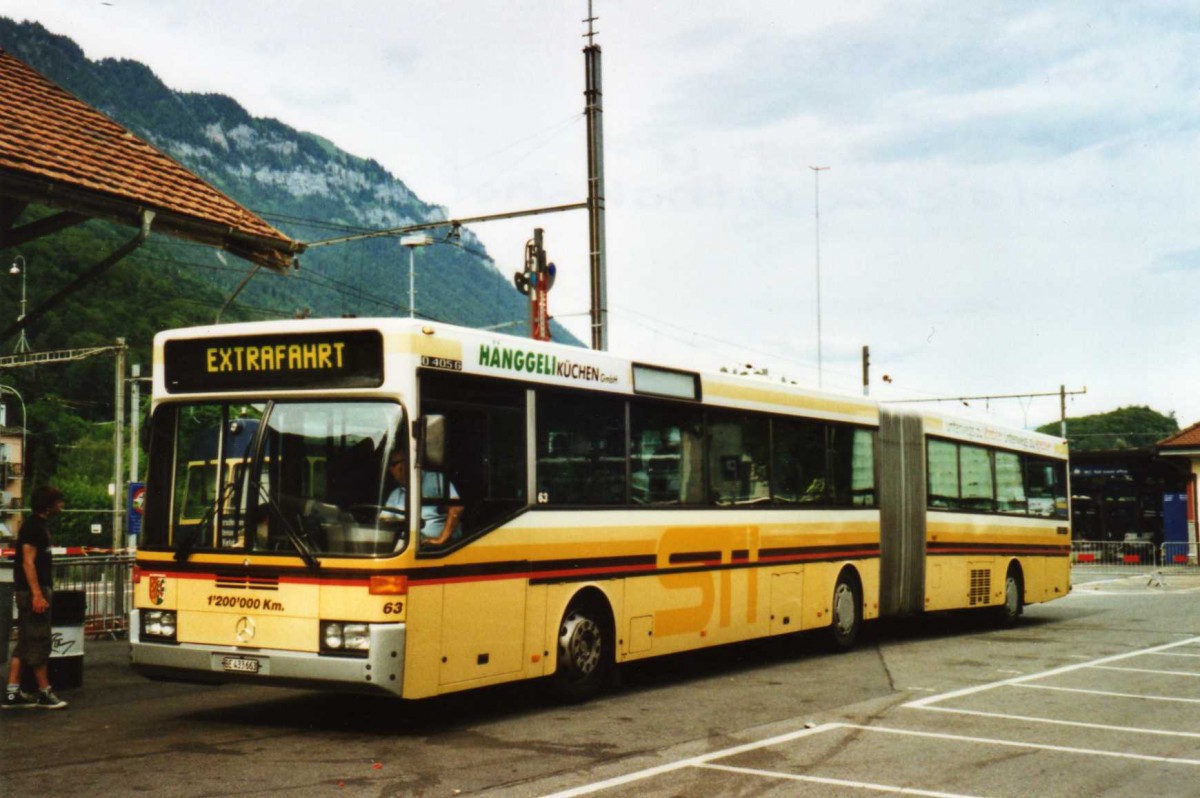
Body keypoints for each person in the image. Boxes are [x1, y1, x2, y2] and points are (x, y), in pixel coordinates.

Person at [3, 485, 68, 710]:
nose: (61, 506)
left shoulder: (37, 526)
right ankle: (44, 691)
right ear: (49, 505)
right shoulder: (33, 528)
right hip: (33, 591)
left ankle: (12, 692)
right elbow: (28, 562)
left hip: (31, 590)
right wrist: (37, 595)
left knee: (25, 641)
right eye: (58, 502)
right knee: (39, 640)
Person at [382, 455, 462, 544]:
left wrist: (441, 539)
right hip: (408, 545)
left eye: (392, 465)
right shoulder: (395, 494)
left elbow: (456, 507)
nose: (390, 470)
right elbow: (384, 520)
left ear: (403, 465)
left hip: (440, 548)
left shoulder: (436, 479)